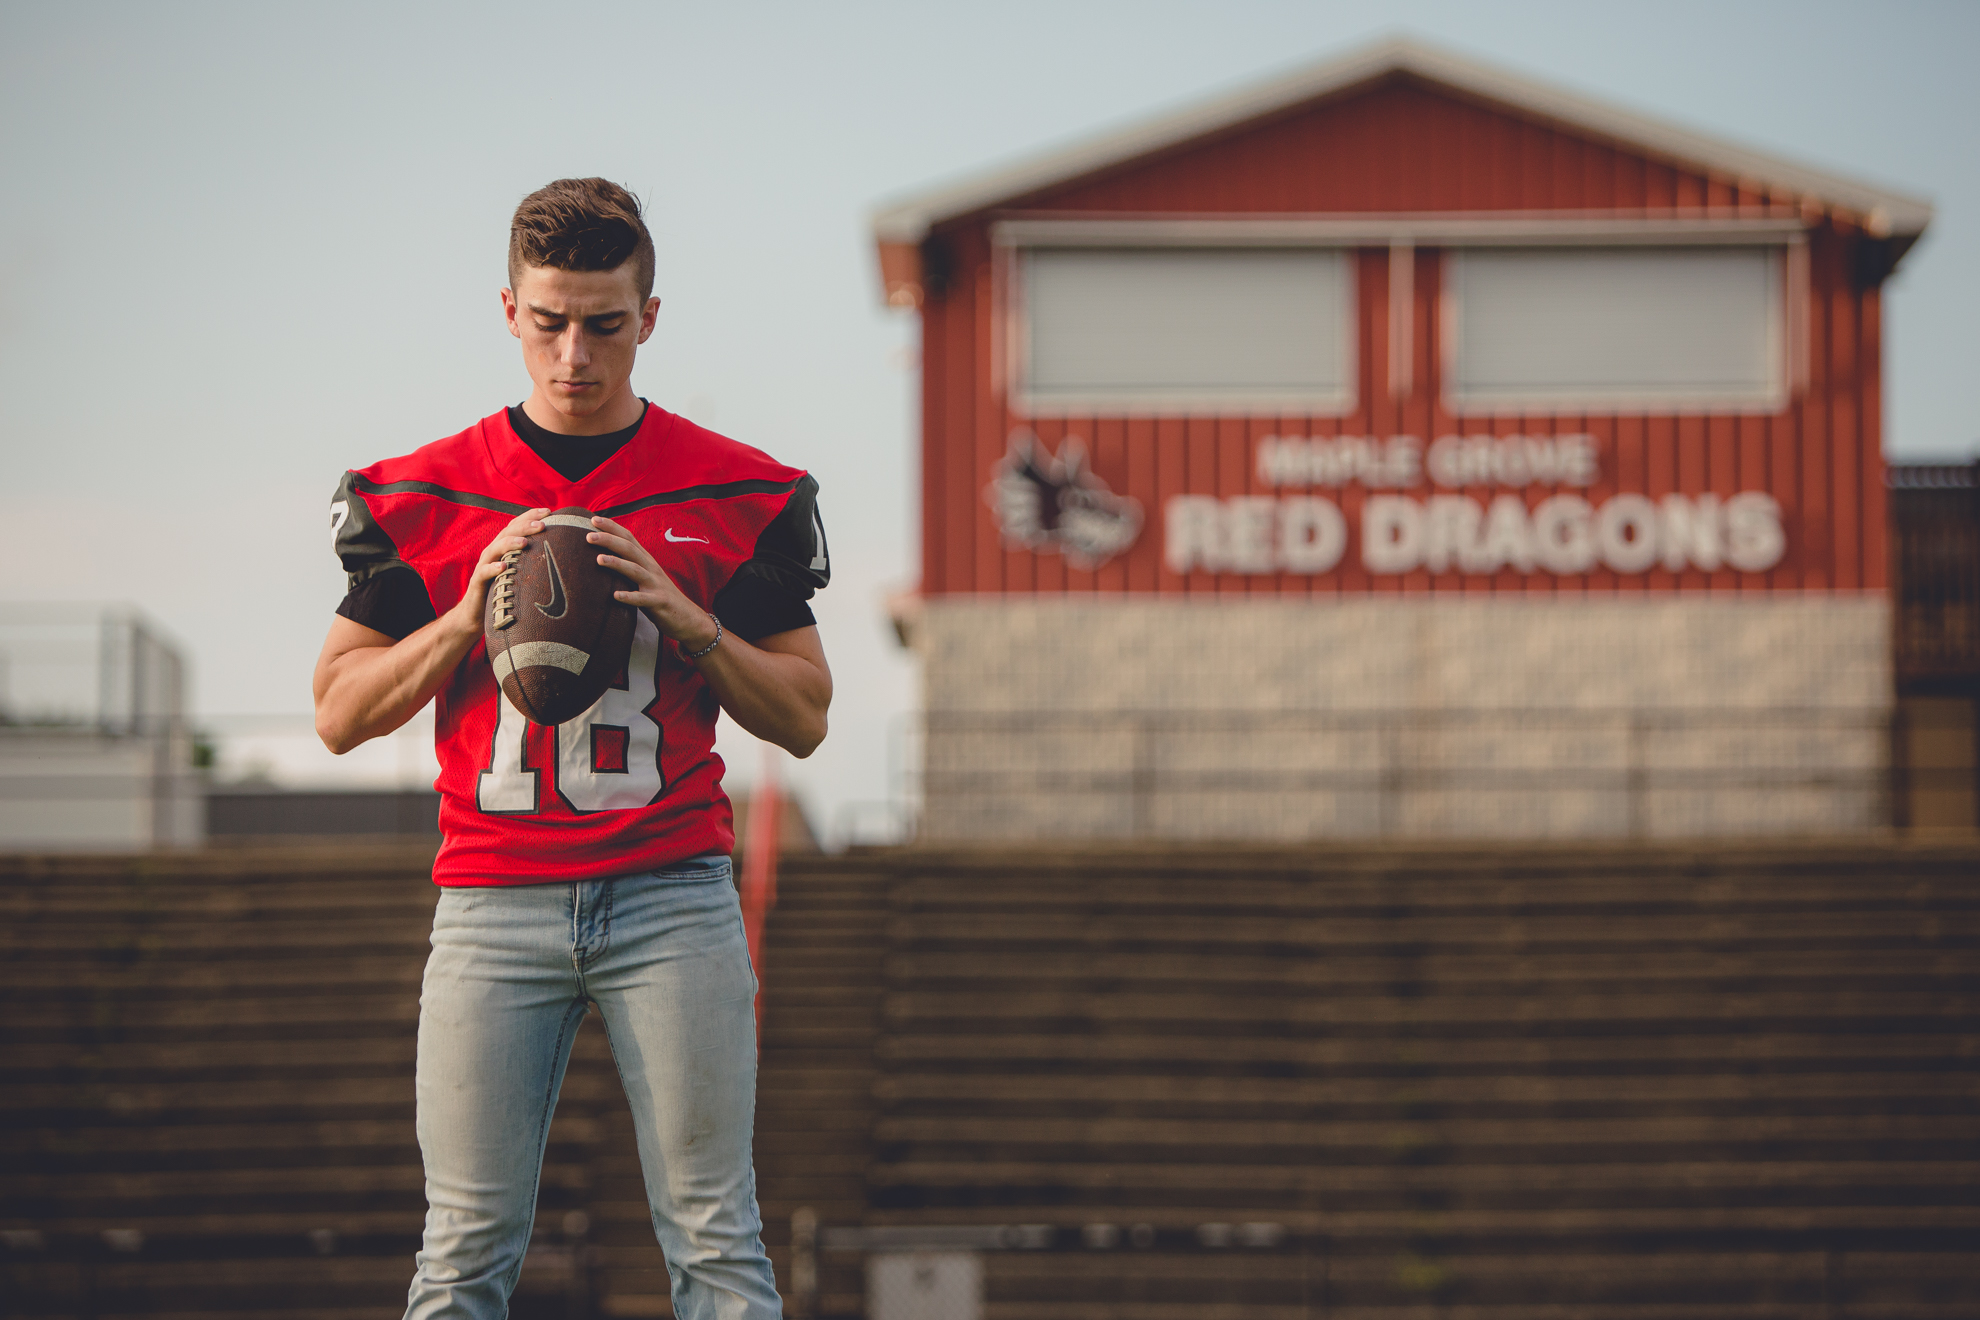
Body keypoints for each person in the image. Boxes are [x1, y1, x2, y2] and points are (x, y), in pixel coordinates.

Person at [311, 177, 828, 1320]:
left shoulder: (739, 489)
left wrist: (693, 622)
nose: (574, 353)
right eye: (549, 322)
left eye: (603, 323)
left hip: (672, 892)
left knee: (716, 1237)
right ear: (508, 312)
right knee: (462, 1251)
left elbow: (803, 713)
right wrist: (461, 616)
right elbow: (339, 714)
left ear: (650, 317)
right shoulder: (424, 492)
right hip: (493, 898)